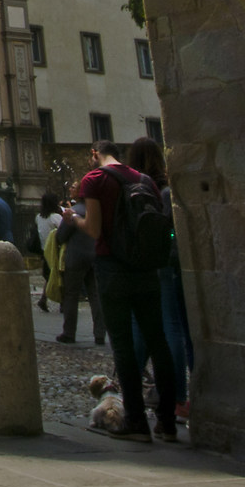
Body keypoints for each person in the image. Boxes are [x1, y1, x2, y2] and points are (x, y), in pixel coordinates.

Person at [77, 140, 182, 443]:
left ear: (95, 154)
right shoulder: (144, 180)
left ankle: (136, 420)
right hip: (146, 269)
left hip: (113, 269)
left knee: (123, 346)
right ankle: (167, 422)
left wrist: (73, 219)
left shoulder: (94, 179)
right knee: (158, 341)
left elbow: (94, 229)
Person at [127, 136, 193, 425]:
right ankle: (177, 398)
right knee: (171, 326)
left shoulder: (135, 188)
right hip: (167, 262)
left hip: (144, 263)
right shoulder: (166, 190)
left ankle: (137, 394)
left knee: (146, 326)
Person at [50, 167, 107, 345]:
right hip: (95, 255)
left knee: (71, 295)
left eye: (74, 187)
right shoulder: (96, 210)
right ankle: (100, 333)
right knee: (95, 295)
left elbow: (61, 236)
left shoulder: (73, 212)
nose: (70, 189)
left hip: (75, 258)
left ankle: (69, 332)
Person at [33, 192, 64, 312]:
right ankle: (62, 301)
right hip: (56, 250)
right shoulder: (55, 217)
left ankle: (44, 298)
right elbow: (63, 231)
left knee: (49, 275)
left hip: (44, 250)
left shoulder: (38, 217)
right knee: (59, 275)